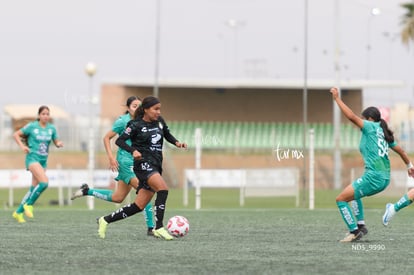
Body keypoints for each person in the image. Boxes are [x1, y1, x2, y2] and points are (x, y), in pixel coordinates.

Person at [330, 87, 414, 242]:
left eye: (363, 119)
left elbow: (351, 116)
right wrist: (409, 166)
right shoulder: (383, 132)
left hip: (374, 177)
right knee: (354, 195)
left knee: (341, 199)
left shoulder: (370, 127)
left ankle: (354, 231)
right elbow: (401, 151)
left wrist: (337, 98)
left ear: (369, 119)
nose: (361, 122)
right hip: (383, 178)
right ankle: (361, 226)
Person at [97, 95, 187, 240]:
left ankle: (105, 220)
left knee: (138, 206)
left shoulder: (159, 122)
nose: (158, 112)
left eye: (160, 109)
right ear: (145, 109)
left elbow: (167, 134)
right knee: (163, 189)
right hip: (143, 165)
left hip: (156, 164)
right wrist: (133, 151)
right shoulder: (135, 124)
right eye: (155, 109)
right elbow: (119, 141)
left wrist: (177, 143)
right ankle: (159, 227)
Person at [71, 96, 155, 236]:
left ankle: (87, 191)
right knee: (145, 191)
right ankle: (151, 228)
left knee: (118, 197)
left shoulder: (143, 122)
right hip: (125, 162)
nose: (137, 108)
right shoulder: (123, 121)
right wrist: (111, 158)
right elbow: (106, 138)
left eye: (139, 106)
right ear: (128, 108)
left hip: (138, 163)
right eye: (134, 106)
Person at [12, 105, 64, 223]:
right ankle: (28, 205)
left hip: (43, 161)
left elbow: (56, 141)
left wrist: (59, 143)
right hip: (32, 159)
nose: (45, 116)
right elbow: (16, 134)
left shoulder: (51, 128)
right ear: (39, 115)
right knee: (44, 183)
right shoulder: (32, 126)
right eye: (43, 114)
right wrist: (22, 146)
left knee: (33, 189)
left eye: (47, 114)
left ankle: (18, 212)